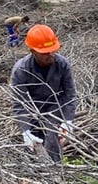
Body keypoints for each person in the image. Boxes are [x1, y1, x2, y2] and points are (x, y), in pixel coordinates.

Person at [10, 23, 77, 164]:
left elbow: (69, 95)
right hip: (32, 109)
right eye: (45, 53)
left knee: (52, 137)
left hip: (54, 108)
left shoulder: (63, 64)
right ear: (32, 51)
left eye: (53, 50)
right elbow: (19, 103)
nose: (50, 55)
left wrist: (68, 121)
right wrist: (25, 130)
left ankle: (55, 170)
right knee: (33, 146)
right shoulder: (20, 70)